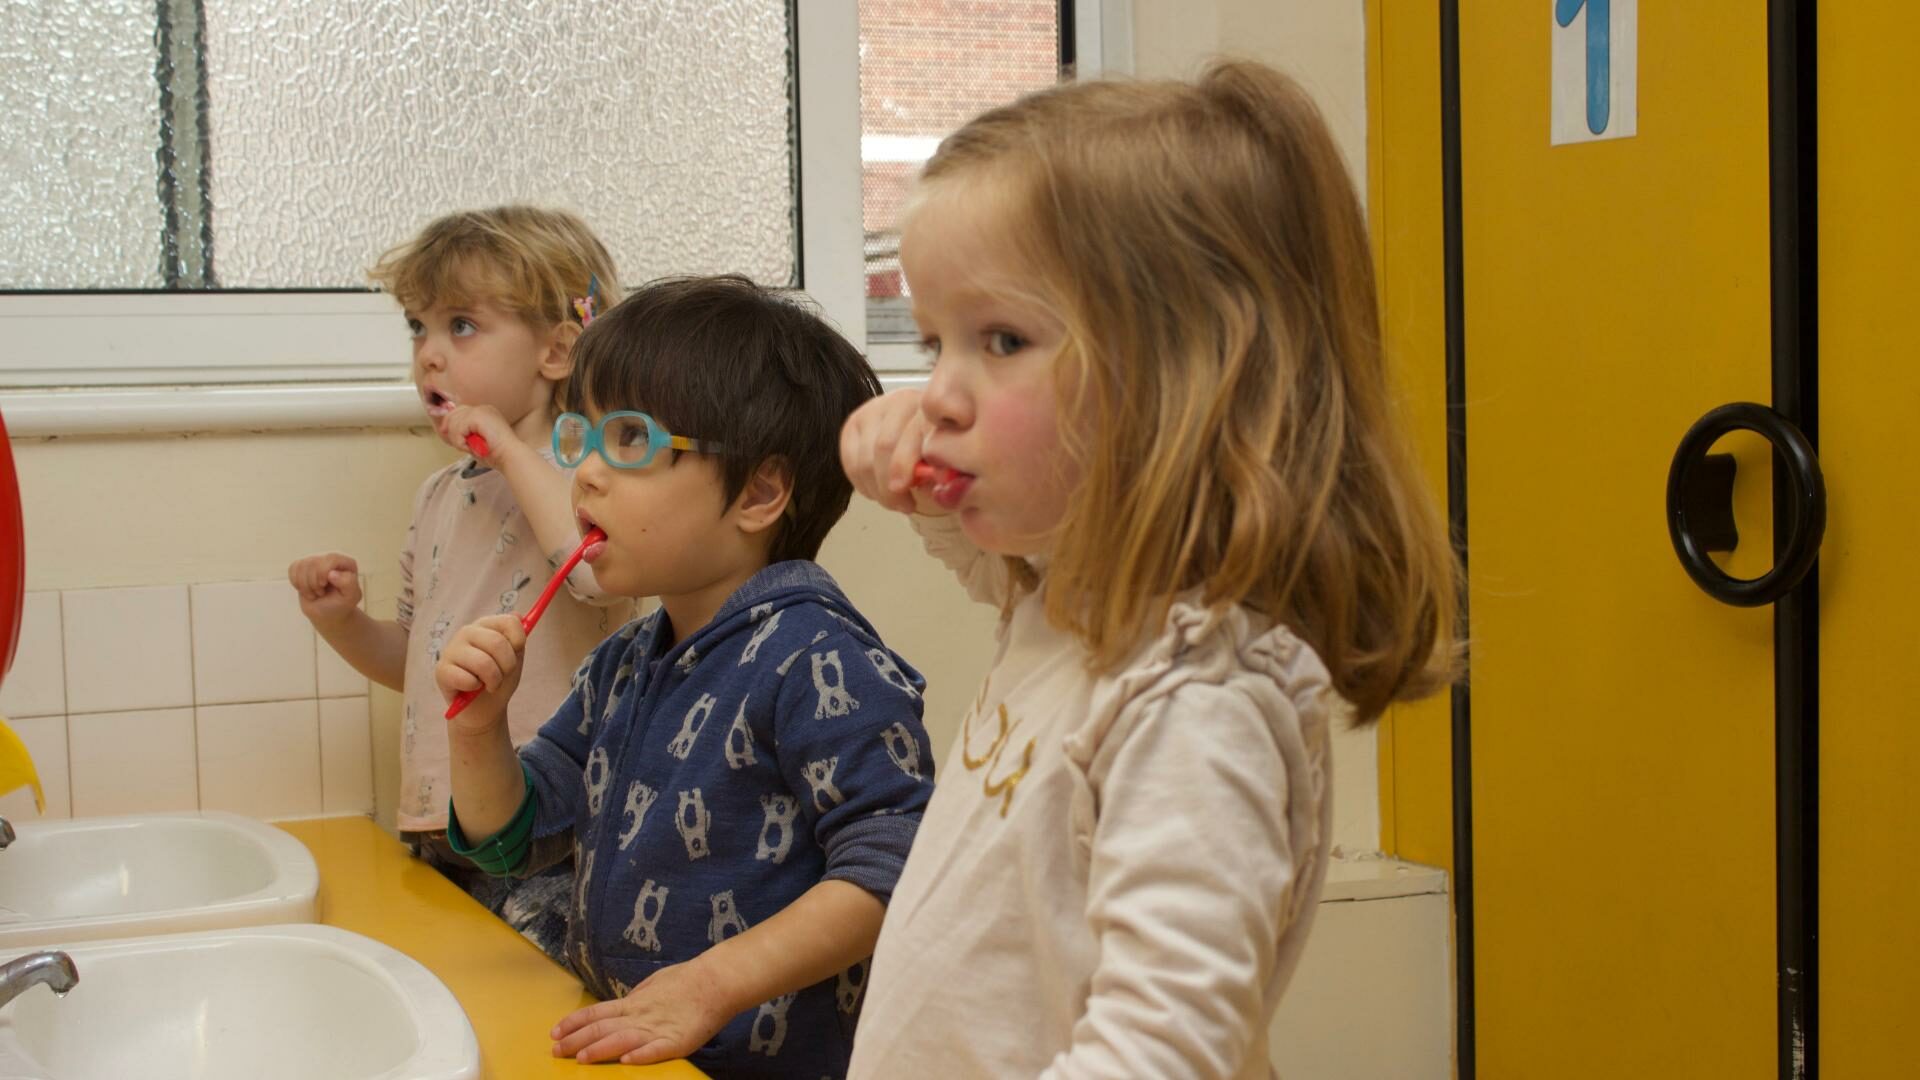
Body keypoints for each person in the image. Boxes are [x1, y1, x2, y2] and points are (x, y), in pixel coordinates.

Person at [839, 60, 1460, 1077]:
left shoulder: (1194, 700)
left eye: (1000, 339)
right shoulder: (1076, 602)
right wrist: (903, 465)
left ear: (1183, 379)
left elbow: (1162, 1052)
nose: (939, 394)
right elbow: (978, 552)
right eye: (932, 340)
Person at [435, 275, 935, 1078]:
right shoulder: (626, 663)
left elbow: (898, 864)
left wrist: (711, 986)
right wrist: (477, 728)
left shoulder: (819, 659)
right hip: (641, 1052)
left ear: (761, 492)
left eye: (628, 442)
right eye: (582, 438)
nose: (586, 475)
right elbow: (512, 841)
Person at [289, 206, 632, 958]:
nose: (429, 356)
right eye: (418, 328)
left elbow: (597, 576)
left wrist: (509, 449)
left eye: (461, 327)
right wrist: (344, 621)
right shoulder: (440, 495)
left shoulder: (592, 476)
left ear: (557, 351)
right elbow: (413, 659)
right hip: (438, 817)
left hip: (548, 820)